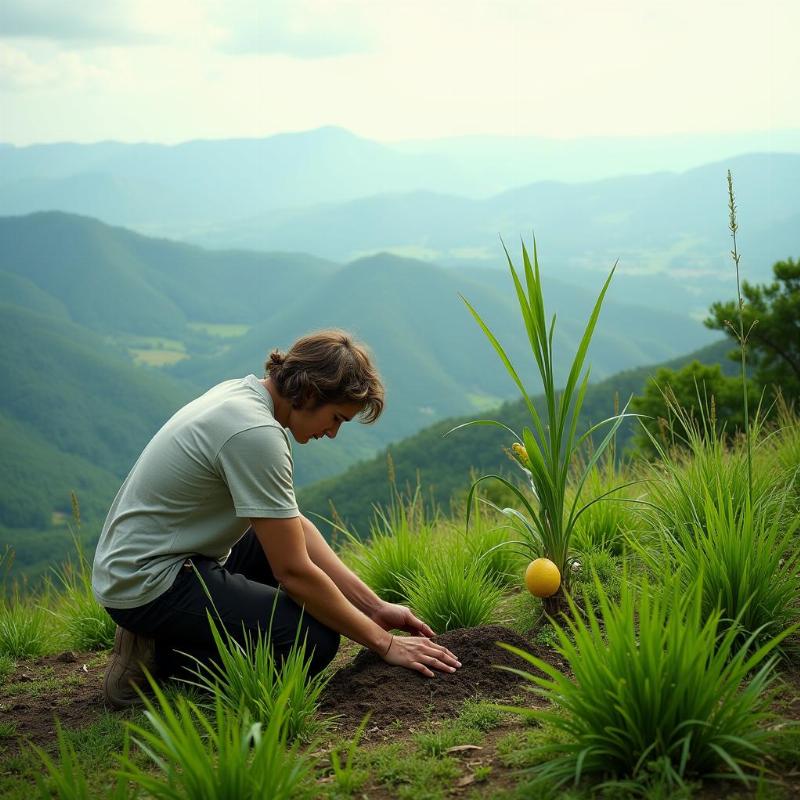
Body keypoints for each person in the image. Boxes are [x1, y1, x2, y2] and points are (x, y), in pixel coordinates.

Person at [92, 329, 461, 708]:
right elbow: (294, 572)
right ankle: (163, 659)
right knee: (312, 642)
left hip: (162, 557)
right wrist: (384, 643)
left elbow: (293, 524)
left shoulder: (245, 395)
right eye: (336, 418)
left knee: (286, 557)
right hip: (147, 582)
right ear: (312, 394)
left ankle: (169, 636)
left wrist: (374, 607)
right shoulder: (256, 434)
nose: (332, 433)